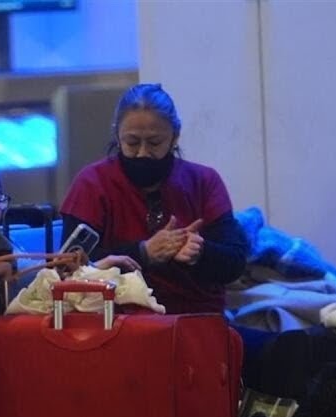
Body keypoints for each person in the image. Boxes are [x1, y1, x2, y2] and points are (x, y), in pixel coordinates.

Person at [59, 83, 249, 315]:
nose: (142, 153)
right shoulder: (92, 183)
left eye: (154, 143)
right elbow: (68, 269)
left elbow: (235, 262)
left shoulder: (203, 181)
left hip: (196, 317)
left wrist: (200, 253)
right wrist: (143, 252)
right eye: (132, 143)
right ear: (117, 136)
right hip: (117, 321)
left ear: (174, 137)